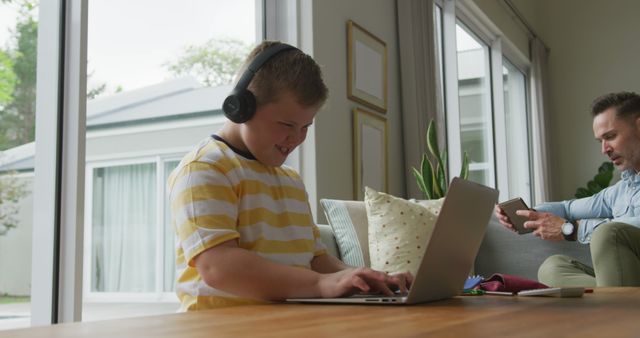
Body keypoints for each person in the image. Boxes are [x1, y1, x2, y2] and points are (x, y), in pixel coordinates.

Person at [167, 41, 412, 311]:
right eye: (286, 124)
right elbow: (219, 267)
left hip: (288, 321)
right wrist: (320, 285)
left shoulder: (290, 179)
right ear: (241, 107)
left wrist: (365, 278)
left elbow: (315, 259)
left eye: (306, 126)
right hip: (222, 325)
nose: (296, 138)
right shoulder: (206, 169)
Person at [495, 91, 640, 287]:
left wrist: (569, 229)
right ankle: (610, 304)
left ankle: (612, 307)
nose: (604, 149)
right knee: (553, 268)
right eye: (600, 141)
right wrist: (527, 214)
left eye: (611, 136)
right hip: (628, 285)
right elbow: (569, 208)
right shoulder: (622, 190)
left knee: (608, 233)